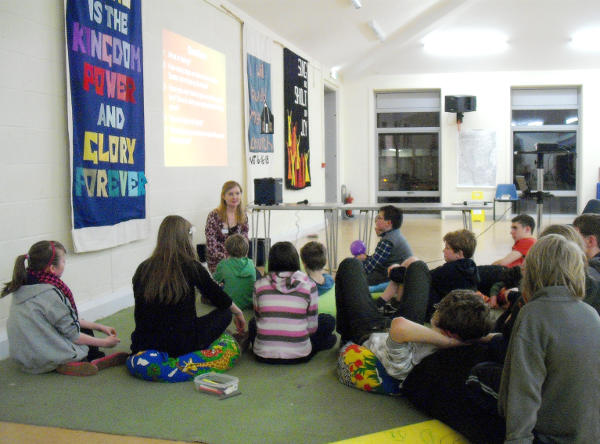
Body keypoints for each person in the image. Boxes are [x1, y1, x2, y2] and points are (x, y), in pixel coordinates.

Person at [498, 234, 600, 443]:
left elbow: (523, 389)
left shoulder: (533, 314)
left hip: (549, 436)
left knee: (477, 378)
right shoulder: (591, 314)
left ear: (533, 270)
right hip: (588, 433)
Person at [2, 241, 126, 376]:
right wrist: (104, 343)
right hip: (44, 355)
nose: (65, 264)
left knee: (77, 325)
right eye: (63, 261)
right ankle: (87, 359)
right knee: (83, 332)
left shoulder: (23, 284)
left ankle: (65, 361)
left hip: (25, 357)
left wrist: (100, 327)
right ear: (52, 268)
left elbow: (64, 318)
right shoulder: (49, 292)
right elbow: (73, 334)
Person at [130, 215, 246, 358]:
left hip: (144, 344)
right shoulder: (192, 266)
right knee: (225, 313)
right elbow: (219, 298)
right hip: (182, 345)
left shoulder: (143, 267)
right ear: (186, 238)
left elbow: (140, 312)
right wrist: (239, 313)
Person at [338, 286, 492, 390]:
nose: (435, 310)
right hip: (396, 331)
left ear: (449, 334)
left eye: (438, 309)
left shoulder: (416, 359)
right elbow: (495, 337)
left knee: (350, 265)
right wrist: (467, 339)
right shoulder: (459, 340)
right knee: (417, 265)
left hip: (368, 333)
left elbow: (399, 325)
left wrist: (449, 342)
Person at [249, 241, 336, 364]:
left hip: (262, 355)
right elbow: (312, 328)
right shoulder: (309, 285)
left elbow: (258, 320)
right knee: (328, 321)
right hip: (300, 355)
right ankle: (325, 342)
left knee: (252, 323)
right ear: (296, 260)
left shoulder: (259, 285)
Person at [378, 229, 479, 321]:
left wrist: (393, 271)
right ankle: (388, 302)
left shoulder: (449, 270)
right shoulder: (471, 269)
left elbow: (419, 279)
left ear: (459, 254)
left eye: (447, 248)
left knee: (412, 263)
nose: (443, 250)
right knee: (411, 262)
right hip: (452, 312)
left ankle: (385, 302)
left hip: (435, 314)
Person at [355, 205, 413, 286]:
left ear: (388, 223)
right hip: (393, 271)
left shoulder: (387, 241)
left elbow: (370, 267)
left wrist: (354, 271)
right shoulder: (394, 233)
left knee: (355, 279)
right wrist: (366, 258)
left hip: (392, 276)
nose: (376, 220)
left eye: (379, 218)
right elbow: (378, 259)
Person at [205, 180, 249, 273]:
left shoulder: (243, 215)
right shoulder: (214, 215)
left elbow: (245, 241)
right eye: (230, 194)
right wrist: (228, 259)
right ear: (223, 196)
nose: (235, 197)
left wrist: (240, 260)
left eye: (237, 193)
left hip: (238, 261)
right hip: (218, 262)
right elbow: (211, 246)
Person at [212, 234, 256, 310]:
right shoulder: (251, 263)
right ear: (247, 250)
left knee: (212, 291)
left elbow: (214, 280)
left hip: (230, 305)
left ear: (227, 250)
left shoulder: (223, 264)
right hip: (249, 303)